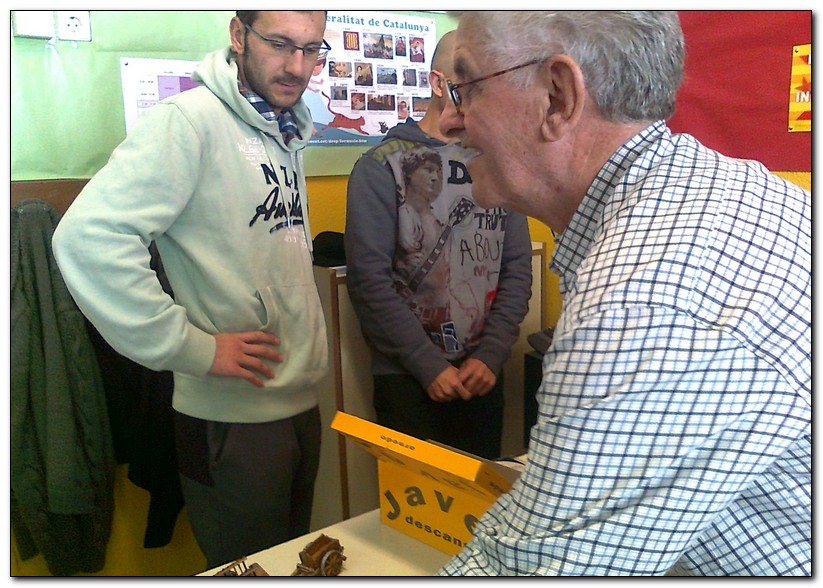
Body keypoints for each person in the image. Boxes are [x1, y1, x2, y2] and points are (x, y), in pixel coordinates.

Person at [436, 11, 811, 576]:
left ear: (557, 97)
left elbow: (535, 570)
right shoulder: (726, 187)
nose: (447, 122)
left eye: (464, 90)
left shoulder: (640, 304)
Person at [52, 11, 331, 570]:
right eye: (280, 44)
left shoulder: (284, 128)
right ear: (238, 34)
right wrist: (192, 347)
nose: (297, 66)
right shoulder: (190, 121)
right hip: (233, 419)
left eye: (311, 49)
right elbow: (88, 237)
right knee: (249, 571)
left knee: (295, 566)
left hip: (297, 401)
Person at [344, 31, 533, 460]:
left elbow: (518, 268)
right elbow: (370, 282)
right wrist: (426, 364)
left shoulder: (497, 160)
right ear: (437, 83)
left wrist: (490, 355)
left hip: (481, 375)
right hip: (407, 377)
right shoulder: (380, 166)